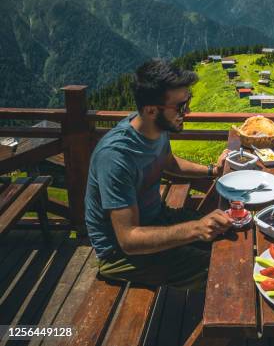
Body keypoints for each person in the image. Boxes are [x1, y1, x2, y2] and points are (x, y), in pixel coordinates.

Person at [85, 60, 232, 290]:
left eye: (188, 102)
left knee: (228, 236)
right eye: (181, 107)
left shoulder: (155, 129)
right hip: (119, 254)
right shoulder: (115, 157)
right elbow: (128, 239)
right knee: (221, 270)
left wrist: (213, 170)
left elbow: (169, 163)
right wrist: (196, 228)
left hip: (155, 218)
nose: (188, 112)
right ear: (151, 110)